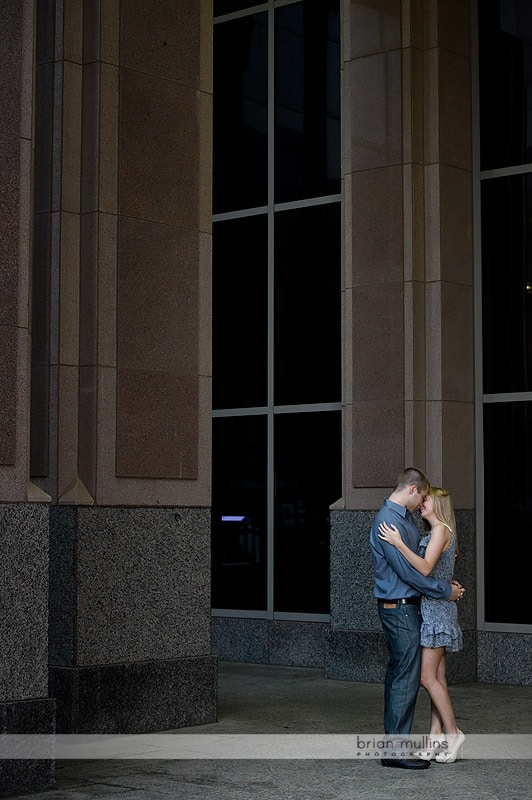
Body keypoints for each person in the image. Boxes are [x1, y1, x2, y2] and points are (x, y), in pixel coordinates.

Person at [369, 467, 464, 771]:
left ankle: (430, 739)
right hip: (399, 608)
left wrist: (442, 587)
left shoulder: (406, 521)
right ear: (412, 490)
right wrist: (445, 590)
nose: (422, 502)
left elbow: (426, 565)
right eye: (422, 496)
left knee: (413, 675)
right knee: (408, 677)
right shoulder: (388, 521)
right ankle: (397, 750)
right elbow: (412, 572)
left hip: (414, 607)